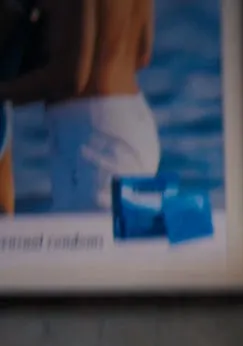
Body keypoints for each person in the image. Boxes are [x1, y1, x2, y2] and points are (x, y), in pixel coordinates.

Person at [0, 0, 157, 213]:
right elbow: (142, 55)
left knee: (86, 231)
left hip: (91, 136)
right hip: (133, 121)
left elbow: (73, 78)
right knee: (124, 231)